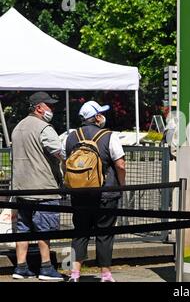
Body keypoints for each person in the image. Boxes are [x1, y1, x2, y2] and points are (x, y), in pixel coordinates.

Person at [63, 101, 126, 283]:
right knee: (105, 233)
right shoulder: (109, 136)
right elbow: (120, 164)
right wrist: (122, 185)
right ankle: (105, 274)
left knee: (80, 231)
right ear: (97, 117)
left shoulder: (71, 137)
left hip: (79, 193)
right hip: (106, 193)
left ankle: (74, 274)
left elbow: (65, 162)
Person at [11, 91, 64, 281]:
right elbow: (59, 151)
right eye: (49, 105)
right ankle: (46, 267)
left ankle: (21, 267)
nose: (52, 108)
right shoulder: (44, 128)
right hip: (44, 187)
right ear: (39, 108)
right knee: (45, 230)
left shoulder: (17, 127)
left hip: (21, 188)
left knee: (22, 230)